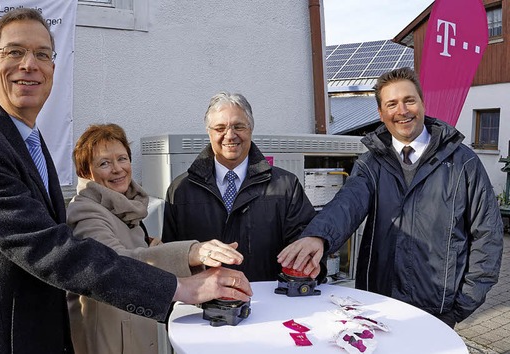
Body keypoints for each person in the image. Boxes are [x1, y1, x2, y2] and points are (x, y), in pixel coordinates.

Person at [0, 9, 252, 353]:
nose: (29, 64)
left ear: (53, 69)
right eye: (14, 51)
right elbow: (51, 250)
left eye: (42, 54)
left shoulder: (26, 142)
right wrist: (182, 287)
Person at [279, 67, 504, 328]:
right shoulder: (371, 163)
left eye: (409, 100)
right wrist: (319, 235)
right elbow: (347, 203)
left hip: (437, 312)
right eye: (392, 104)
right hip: (377, 305)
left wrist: (462, 304)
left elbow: (488, 235)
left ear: (422, 103)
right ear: (381, 113)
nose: (403, 111)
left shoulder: (462, 163)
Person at [66, 123, 245, 354]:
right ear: (85, 172)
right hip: (109, 335)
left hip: (135, 325)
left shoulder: (125, 206)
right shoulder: (85, 211)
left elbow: (140, 251)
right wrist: (191, 252)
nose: (117, 169)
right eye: (104, 163)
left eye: (122, 159)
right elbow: (115, 261)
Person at [162, 91, 325, 282]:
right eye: (220, 128)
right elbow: (171, 259)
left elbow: (304, 248)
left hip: (269, 303)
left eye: (238, 126)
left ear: (250, 129)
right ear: (209, 132)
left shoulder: (286, 186)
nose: (230, 135)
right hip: (203, 307)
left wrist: (309, 267)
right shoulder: (181, 190)